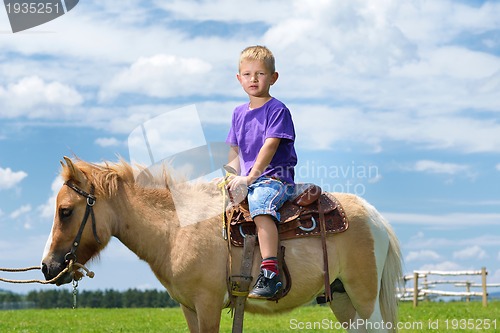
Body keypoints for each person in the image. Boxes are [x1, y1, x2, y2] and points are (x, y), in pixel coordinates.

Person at [225, 45, 297, 299]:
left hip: (274, 178)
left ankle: (270, 272)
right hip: (247, 179)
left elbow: (270, 145)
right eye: (247, 74)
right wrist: (231, 176)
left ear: (273, 78)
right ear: (239, 78)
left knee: (260, 203)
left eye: (260, 74)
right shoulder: (238, 113)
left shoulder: (277, 110)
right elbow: (234, 149)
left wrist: (250, 177)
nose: (253, 79)